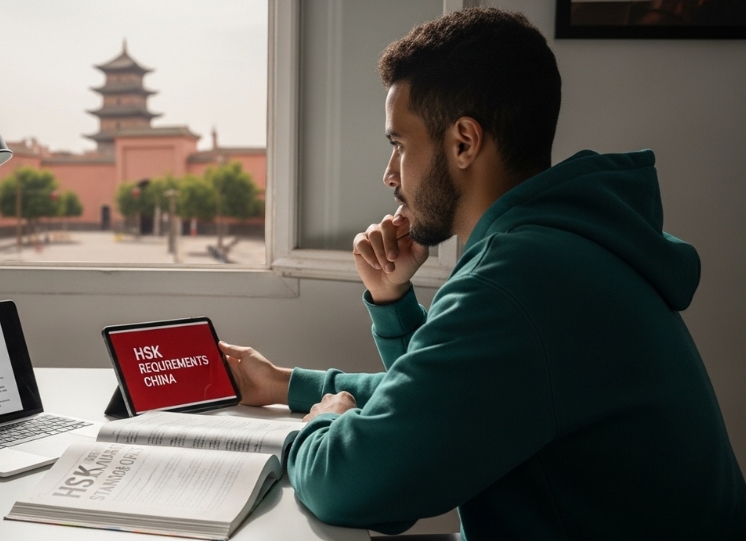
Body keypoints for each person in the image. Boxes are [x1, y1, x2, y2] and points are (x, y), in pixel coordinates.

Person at [218, 7, 746, 539]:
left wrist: (318, 427)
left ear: (464, 142)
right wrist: (292, 381)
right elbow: (449, 398)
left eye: (399, 145)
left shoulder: (519, 281)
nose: (389, 174)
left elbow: (358, 487)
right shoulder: (564, 247)